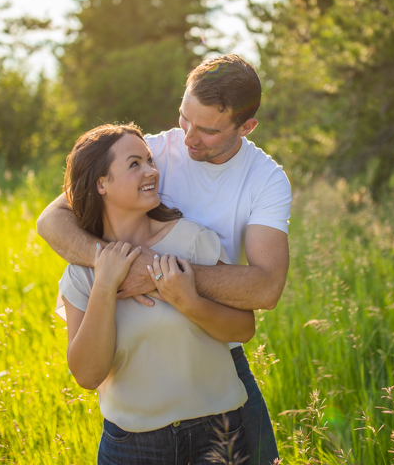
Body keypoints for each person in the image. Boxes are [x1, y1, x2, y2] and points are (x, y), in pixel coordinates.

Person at [38, 54, 291, 465]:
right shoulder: (147, 151)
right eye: (183, 118)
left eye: (208, 131)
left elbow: (265, 288)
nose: (188, 137)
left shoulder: (264, 180)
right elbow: (51, 219)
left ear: (246, 128)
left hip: (216, 364)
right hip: (135, 426)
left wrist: (162, 276)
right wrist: (115, 267)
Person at [56, 123, 254, 464]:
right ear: (101, 183)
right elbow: (87, 376)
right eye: (135, 164)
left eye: (150, 160)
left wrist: (187, 301)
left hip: (218, 436)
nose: (151, 171)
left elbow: (244, 329)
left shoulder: (192, 241)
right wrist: (105, 286)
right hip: (132, 447)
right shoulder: (82, 273)